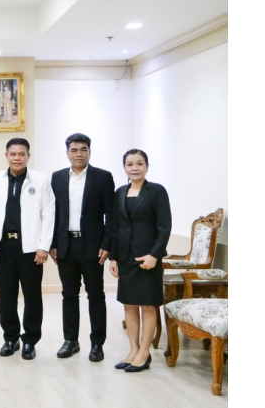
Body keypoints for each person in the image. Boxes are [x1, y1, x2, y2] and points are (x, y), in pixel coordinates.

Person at [0, 138, 55, 360]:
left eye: (21, 154)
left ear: (28, 156)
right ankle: (10, 338)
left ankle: (30, 340)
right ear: (6, 156)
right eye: (13, 154)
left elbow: (49, 213)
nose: (17, 158)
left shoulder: (40, 180)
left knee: (32, 296)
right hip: (4, 246)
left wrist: (44, 246)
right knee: (7, 295)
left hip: (31, 249)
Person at [49, 133, 115, 362]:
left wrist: (107, 244)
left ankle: (97, 343)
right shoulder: (57, 177)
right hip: (66, 245)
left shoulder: (103, 177)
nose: (79, 154)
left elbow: (111, 215)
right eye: (74, 150)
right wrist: (53, 243)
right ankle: (71, 340)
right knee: (69, 294)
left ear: (89, 152)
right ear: (67, 153)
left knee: (95, 295)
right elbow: (54, 214)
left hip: (93, 247)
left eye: (83, 149)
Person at [108, 149, 171, 373]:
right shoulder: (119, 192)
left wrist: (154, 255)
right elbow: (114, 227)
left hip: (147, 258)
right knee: (129, 304)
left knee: (148, 304)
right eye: (130, 164)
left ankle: (144, 352)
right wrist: (113, 257)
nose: (135, 167)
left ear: (147, 166)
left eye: (139, 163)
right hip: (125, 257)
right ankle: (133, 350)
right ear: (124, 167)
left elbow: (164, 226)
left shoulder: (157, 191)